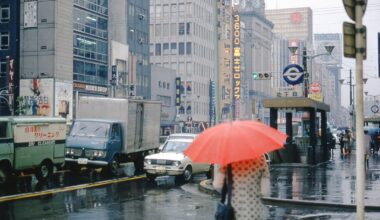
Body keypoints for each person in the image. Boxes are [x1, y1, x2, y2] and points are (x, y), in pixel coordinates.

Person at [213, 155, 270, 220]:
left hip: (232, 211)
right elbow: (265, 191)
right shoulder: (261, 159)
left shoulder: (227, 160)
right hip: (254, 211)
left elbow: (217, 185)